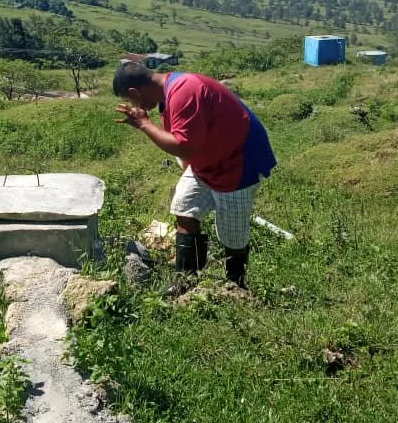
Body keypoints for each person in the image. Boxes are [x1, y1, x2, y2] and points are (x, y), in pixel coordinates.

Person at [113, 61, 276, 288]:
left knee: (232, 233)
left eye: (131, 100)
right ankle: (187, 281)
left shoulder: (184, 91)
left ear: (134, 91)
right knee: (184, 207)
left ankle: (236, 284)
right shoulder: (168, 95)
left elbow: (183, 146)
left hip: (238, 161)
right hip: (208, 161)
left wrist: (144, 125)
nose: (134, 105)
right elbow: (186, 139)